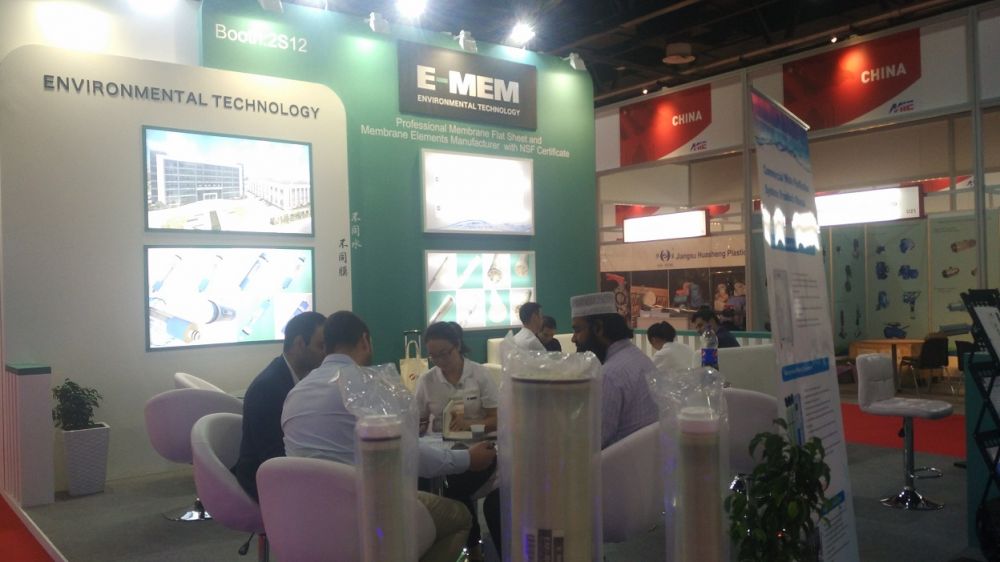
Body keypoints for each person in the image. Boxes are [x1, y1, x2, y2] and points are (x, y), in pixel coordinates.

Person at [281, 311, 495, 562]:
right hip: (367, 515)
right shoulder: (369, 388)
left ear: (325, 345)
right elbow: (409, 455)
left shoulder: (294, 393)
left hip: (304, 521)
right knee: (459, 517)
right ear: (365, 340)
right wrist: (467, 459)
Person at [415, 321, 500, 560]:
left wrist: (470, 425)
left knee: (455, 487)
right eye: (434, 356)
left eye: (445, 354)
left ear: (458, 346)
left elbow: (498, 418)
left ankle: (472, 548)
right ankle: (438, 545)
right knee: (420, 480)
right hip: (441, 449)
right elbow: (418, 418)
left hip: (479, 446)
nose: (440, 361)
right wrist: (419, 425)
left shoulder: (479, 374)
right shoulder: (427, 381)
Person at [231, 311, 326, 501]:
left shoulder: (298, 377)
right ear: (300, 343)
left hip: (285, 468)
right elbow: (273, 457)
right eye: (320, 346)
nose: (326, 353)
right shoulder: (268, 388)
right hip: (262, 481)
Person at [570, 292, 659, 449]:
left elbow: (593, 442)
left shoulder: (610, 375)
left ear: (598, 328)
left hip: (620, 463)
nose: (573, 338)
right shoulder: (640, 358)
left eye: (577, 330)